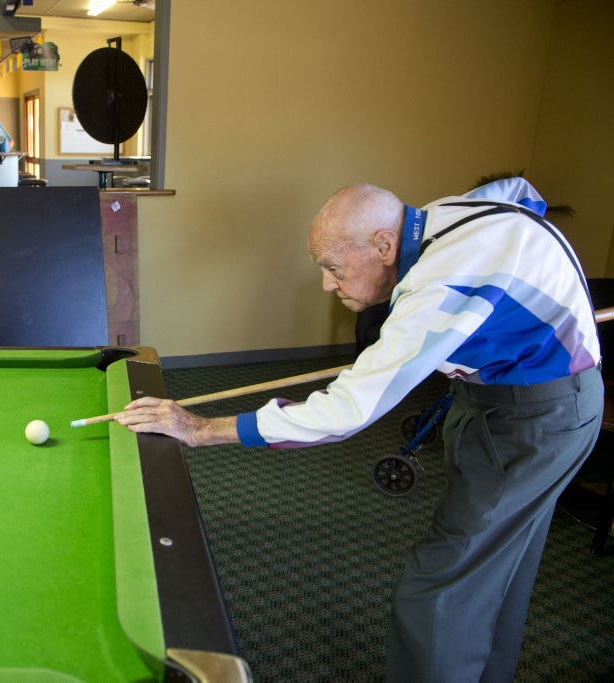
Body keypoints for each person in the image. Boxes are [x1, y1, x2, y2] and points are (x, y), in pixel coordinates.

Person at [115, 178, 603, 681]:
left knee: (440, 588)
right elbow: (522, 192)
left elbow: (347, 412)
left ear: (384, 244)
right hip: (517, 399)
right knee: (499, 568)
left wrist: (200, 429)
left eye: (333, 268)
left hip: (533, 418)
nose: (328, 284)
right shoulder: (442, 216)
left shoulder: (440, 282)